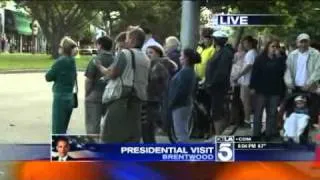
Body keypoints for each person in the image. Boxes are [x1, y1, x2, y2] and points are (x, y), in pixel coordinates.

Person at [96, 27, 150, 143]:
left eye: (127, 38)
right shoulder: (146, 58)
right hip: (138, 100)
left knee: (110, 136)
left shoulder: (125, 53)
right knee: (131, 137)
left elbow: (113, 73)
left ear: (133, 40)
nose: (125, 41)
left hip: (122, 99)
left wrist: (100, 67)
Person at [250, 39, 286, 140]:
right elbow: (254, 73)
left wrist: (279, 58)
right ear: (268, 47)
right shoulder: (260, 58)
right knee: (258, 113)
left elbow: (282, 72)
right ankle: (256, 134)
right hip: (261, 90)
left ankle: (268, 134)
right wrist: (252, 87)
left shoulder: (281, 59)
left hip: (275, 91)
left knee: (272, 113)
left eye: (276, 47)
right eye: (272, 46)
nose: (274, 49)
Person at [284, 33, 320, 126]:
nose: (303, 44)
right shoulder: (292, 55)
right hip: (295, 87)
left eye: (306, 42)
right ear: (297, 43)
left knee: (310, 112)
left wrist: (309, 83)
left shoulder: (315, 54)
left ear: (309, 42)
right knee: (292, 111)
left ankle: (306, 133)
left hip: (310, 87)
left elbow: (318, 70)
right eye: (301, 42)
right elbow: (287, 70)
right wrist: (289, 83)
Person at [45, 36, 78, 134]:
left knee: (57, 129)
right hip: (70, 98)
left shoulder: (60, 61)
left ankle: (58, 148)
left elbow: (48, 77)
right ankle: (63, 147)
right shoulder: (72, 61)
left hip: (60, 98)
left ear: (63, 48)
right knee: (63, 128)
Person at [205, 30, 234, 135]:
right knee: (217, 110)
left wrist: (211, 83)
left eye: (214, 39)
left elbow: (221, 72)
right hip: (215, 86)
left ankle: (218, 135)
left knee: (217, 111)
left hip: (218, 87)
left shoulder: (225, 53)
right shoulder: (221, 51)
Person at [169, 48, 200, 142]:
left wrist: (172, 102)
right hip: (184, 103)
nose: (180, 58)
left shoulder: (185, 72)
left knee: (181, 133)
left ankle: (184, 152)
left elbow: (180, 90)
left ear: (186, 58)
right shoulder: (188, 71)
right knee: (182, 130)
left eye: (182, 56)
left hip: (180, 105)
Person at [84, 36, 114, 135]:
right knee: (109, 127)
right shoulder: (116, 59)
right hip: (111, 95)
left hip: (95, 94)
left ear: (100, 46)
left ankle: (93, 147)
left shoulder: (96, 60)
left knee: (93, 127)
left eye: (96, 45)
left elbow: (89, 80)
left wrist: (87, 94)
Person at [143, 57, 170, 142]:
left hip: (149, 101)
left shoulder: (158, 68)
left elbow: (152, 84)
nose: (148, 55)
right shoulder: (162, 70)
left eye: (151, 53)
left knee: (147, 128)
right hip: (154, 101)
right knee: (149, 128)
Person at [233, 36, 258, 127]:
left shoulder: (251, 53)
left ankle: (247, 120)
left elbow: (248, 66)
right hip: (246, 81)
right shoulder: (251, 53)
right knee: (246, 101)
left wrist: (238, 75)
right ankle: (247, 119)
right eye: (243, 43)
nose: (244, 45)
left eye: (246, 42)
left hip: (247, 81)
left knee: (245, 102)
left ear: (250, 43)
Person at [230, 43, 246, 126]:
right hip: (236, 80)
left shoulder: (243, 56)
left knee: (236, 100)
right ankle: (236, 118)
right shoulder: (237, 55)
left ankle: (236, 119)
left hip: (238, 81)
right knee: (236, 100)